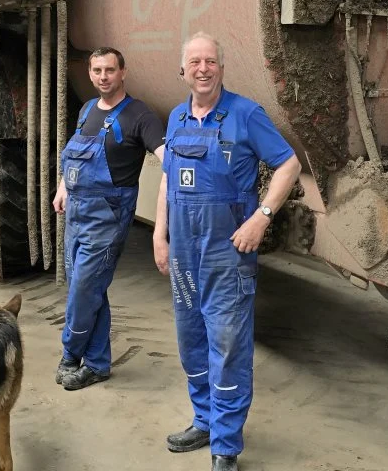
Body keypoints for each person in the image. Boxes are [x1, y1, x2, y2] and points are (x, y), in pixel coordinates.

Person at [153, 32, 301, 471]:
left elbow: (288, 164)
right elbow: (166, 179)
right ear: (183, 70)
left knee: (228, 342)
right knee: (191, 337)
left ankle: (225, 445)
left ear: (221, 67)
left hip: (226, 250)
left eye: (210, 62)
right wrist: (159, 233)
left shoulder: (245, 113)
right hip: (181, 246)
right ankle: (203, 420)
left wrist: (262, 216)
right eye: (194, 62)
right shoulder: (177, 116)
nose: (202, 69)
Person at [53, 47, 165, 390]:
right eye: (97, 70)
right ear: (90, 74)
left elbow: (167, 159)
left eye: (110, 70)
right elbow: (73, 157)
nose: (103, 76)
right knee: (89, 289)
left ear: (123, 72)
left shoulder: (140, 115)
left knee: (84, 291)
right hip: (75, 214)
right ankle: (98, 364)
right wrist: (62, 188)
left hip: (108, 217)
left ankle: (71, 355)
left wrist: (166, 220)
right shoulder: (87, 109)